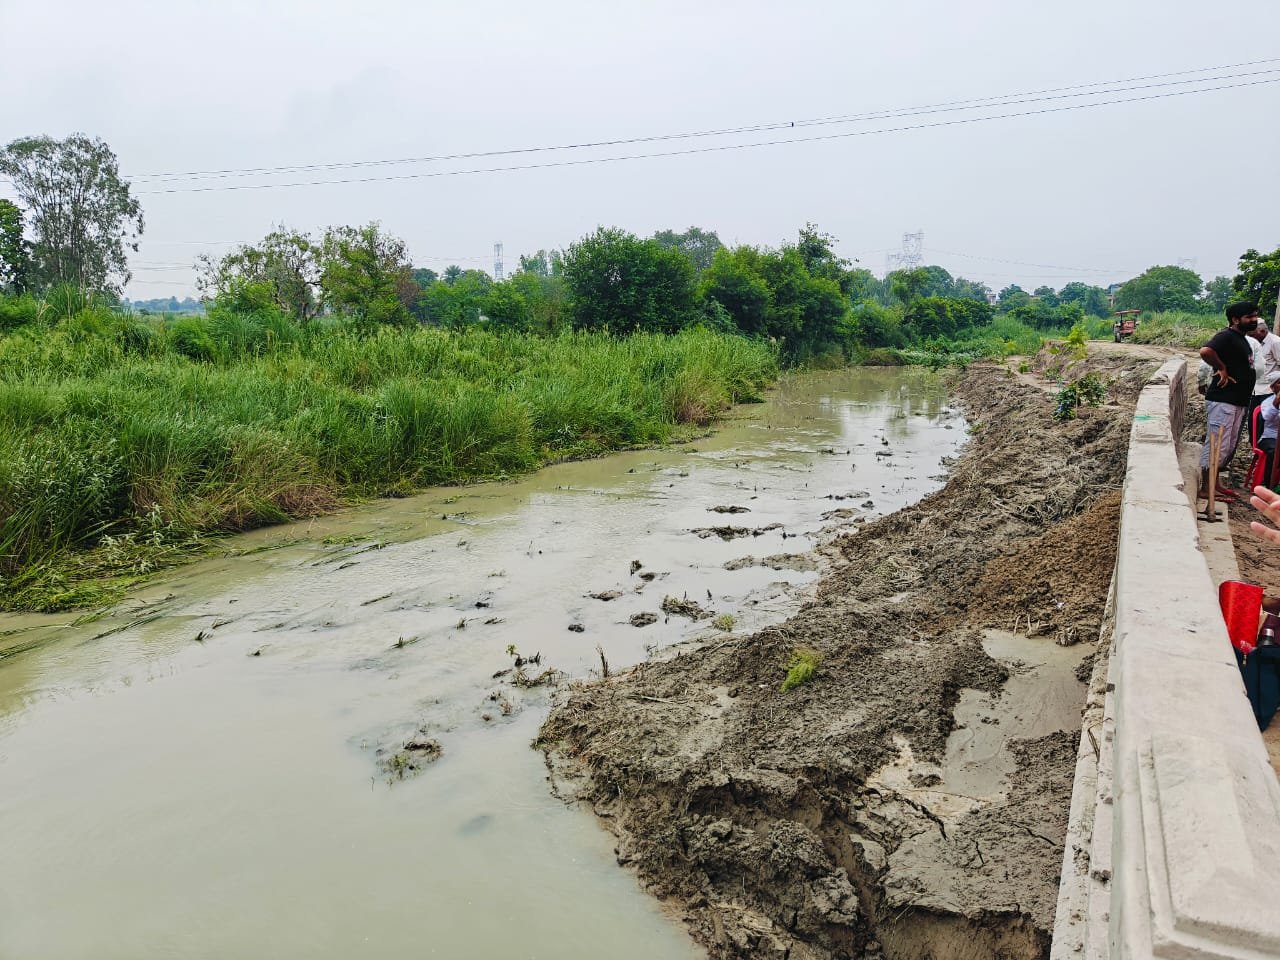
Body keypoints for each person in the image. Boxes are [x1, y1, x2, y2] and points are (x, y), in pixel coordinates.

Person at [1200, 301, 1262, 500]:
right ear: (1235, 320)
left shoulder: (1242, 339)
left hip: (1237, 401)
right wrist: (1221, 368)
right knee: (1217, 444)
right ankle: (1206, 489)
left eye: (1255, 316)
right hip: (1223, 400)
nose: (1254, 320)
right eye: (1249, 317)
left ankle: (1215, 484)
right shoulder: (1226, 336)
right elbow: (1205, 351)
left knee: (1225, 446)